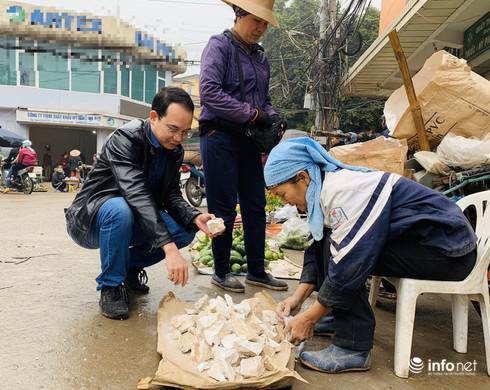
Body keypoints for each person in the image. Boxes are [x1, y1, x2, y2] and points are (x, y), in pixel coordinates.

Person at [264, 137, 477, 373]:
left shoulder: (344, 191)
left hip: (449, 252)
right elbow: (318, 245)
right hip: (422, 243)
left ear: (303, 178)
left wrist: (310, 318)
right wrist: (297, 300)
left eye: (283, 194)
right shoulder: (324, 189)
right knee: (328, 242)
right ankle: (338, 314)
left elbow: (349, 263)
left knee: (346, 257)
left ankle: (352, 345)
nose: (287, 203)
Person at [65, 87, 219, 320]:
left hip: (134, 214)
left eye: (185, 132)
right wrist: (168, 248)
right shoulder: (125, 139)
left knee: (185, 231)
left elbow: (170, 194)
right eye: (173, 129)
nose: (178, 138)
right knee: (120, 209)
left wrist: (194, 216)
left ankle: (126, 268)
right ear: (154, 117)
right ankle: (111, 286)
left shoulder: (173, 150)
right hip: (91, 219)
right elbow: (135, 193)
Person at [198, 0, 287, 293]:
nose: (260, 29)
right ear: (239, 14)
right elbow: (209, 93)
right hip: (219, 135)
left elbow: (264, 100)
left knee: (255, 204)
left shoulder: (261, 57)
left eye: (264, 24)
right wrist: (252, 114)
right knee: (222, 206)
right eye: (256, 21)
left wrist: (272, 117)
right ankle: (221, 271)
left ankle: (257, 271)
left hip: (249, 138)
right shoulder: (218, 46)